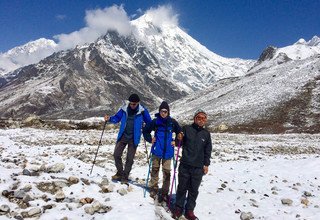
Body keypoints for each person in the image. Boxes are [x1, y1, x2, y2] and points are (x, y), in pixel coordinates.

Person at [172, 109, 212, 220]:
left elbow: (208, 150)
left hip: (198, 167)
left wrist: (206, 164)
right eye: (199, 118)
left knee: (194, 190)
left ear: (205, 120)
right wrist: (178, 138)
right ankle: (178, 208)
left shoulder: (206, 134)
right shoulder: (186, 129)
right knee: (182, 188)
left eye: (203, 118)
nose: (201, 120)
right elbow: (179, 143)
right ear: (195, 118)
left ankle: (189, 210)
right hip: (185, 164)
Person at [104, 94, 151, 184]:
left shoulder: (142, 111)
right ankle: (120, 173)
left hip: (134, 138)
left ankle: (125, 177)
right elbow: (117, 118)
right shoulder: (124, 109)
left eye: (134, 104)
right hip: (123, 136)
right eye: (131, 103)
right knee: (116, 154)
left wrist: (148, 128)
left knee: (129, 159)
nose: (132, 105)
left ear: (138, 103)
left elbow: (149, 122)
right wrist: (109, 119)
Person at [143, 101, 182, 202]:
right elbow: (145, 130)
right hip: (157, 150)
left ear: (168, 112)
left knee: (167, 173)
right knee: (155, 169)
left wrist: (176, 142)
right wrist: (149, 139)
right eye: (161, 111)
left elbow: (180, 133)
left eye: (165, 111)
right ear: (159, 111)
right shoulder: (155, 122)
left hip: (168, 152)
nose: (163, 113)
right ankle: (154, 188)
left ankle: (165, 192)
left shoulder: (172, 122)